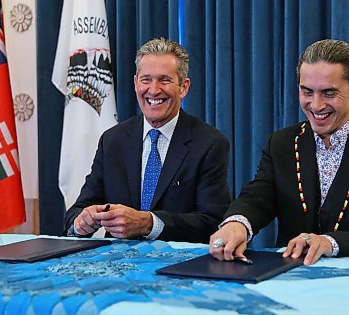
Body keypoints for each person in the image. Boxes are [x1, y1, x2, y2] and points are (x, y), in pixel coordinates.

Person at [209, 39, 349, 265]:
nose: (316, 105)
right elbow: (258, 197)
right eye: (307, 92)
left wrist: (332, 243)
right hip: (290, 279)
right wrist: (237, 223)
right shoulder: (282, 143)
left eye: (329, 93)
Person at [64, 38, 231, 243]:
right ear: (136, 83)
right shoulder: (113, 140)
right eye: (146, 80)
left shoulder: (210, 143)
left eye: (164, 80)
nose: (153, 90)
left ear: (183, 87)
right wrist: (82, 223)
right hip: (118, 266)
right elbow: (76, 213)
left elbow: (213, 223)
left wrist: (149, 223)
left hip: (180, 267)